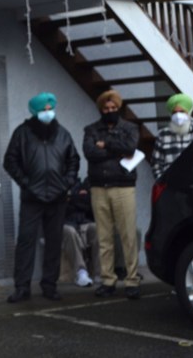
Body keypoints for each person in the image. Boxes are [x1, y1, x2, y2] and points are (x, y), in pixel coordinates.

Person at [3, 92, 80, 303]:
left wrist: (67, 183)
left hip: (57, 197)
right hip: (32, 197)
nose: (48, 113)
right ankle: (22, 287)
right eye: (43, 110)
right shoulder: (22, 133)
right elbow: (10, 161)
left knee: (54, 242)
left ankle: (50, 285)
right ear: (35, 112)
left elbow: (73, 160)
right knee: (26, 242)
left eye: (50, 109)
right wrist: (26, 183)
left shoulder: (63, 134)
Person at [83, 89, 141, 300]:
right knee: (104, 237)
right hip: (99, 188)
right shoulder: (91, 130)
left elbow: (131, 148)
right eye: (106, 108)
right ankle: (108, 280)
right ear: (101, 109)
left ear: (119, 108)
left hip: (123, 187)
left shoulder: (129, 127)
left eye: (114, 108)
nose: (110, 111)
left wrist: (106, 144)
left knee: (128, 236)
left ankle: (132, 280)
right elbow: (90, 152)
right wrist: (117, 150)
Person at [150, 93, 193, 180]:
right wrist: (162, 181)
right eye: (174, 112)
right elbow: (156, 163)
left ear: (189, 112)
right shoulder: (163, 134)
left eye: (182, 112)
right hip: (171, 185)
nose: (178, 115)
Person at [61, 178, 100, 287]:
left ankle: (99, 273)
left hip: (84, 221)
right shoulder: (55, 184)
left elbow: (88, 205)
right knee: (70, 232)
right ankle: (81, 272)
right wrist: (77, 198)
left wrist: (71, 199)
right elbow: (60, 209)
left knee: (97, 229)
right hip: (65, 223)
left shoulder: (81, 185)